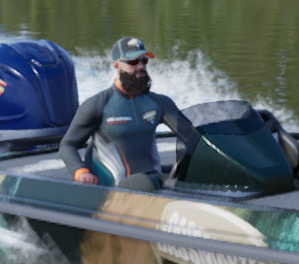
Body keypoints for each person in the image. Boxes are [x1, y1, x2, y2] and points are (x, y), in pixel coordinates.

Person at [59, 36, 198, 189]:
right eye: (133, 62)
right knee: (146, 183)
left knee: (196, 176)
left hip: (153, 182)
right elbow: (68, 145)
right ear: (116, 65)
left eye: (144, 61)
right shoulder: (97, 104)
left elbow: (193, 138)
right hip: (115, 189)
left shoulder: (160, 103)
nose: (140, 66)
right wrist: (81, 171)